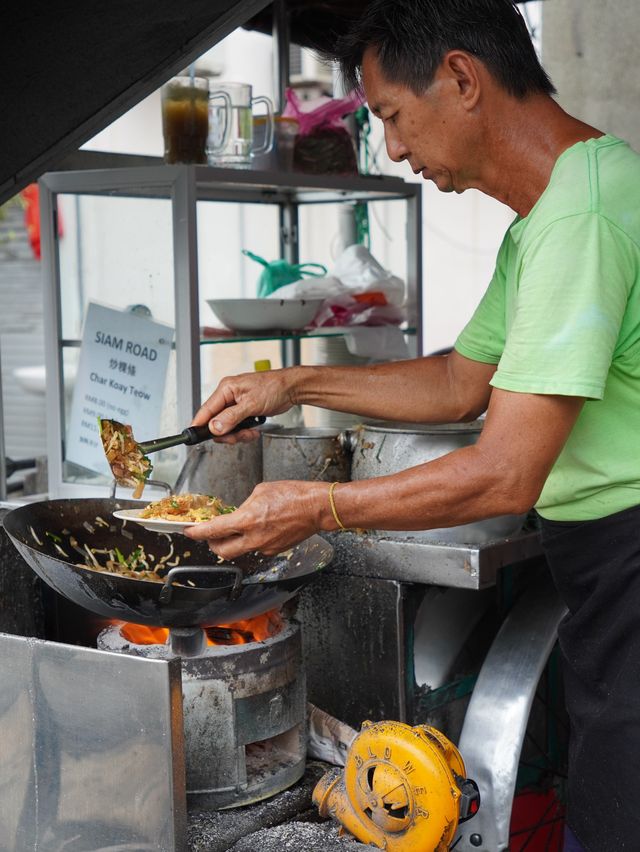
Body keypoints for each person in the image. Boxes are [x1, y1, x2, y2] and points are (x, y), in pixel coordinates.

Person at [184, 1, 640, 848]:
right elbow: (463, 382)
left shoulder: (581, 220)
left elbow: (506, 471)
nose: (393, 148)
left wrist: (314, 509)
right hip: (606, 565)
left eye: (393, 115)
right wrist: (291, 382)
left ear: (463, 79)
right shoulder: (554, 212)